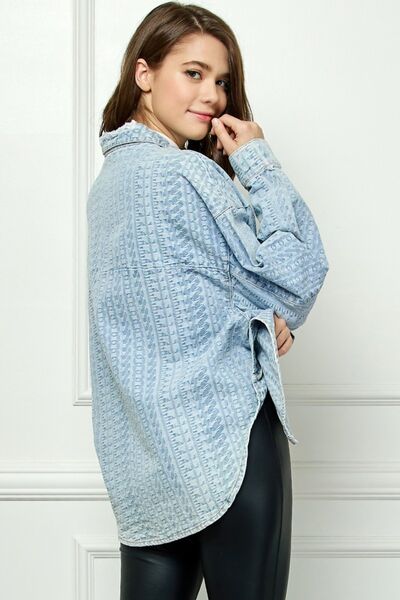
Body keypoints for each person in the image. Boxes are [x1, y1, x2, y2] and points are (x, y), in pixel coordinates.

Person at [86, 2, 329, 599]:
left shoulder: (108, 185)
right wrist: (258, 162)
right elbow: (297, 277)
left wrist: (256, 314)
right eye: (193, 73)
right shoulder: (186, 176)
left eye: (221, 80)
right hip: (227, 444)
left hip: (145, 457)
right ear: (144, 74)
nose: (213, 96)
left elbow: (177, 301)